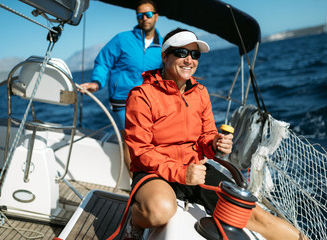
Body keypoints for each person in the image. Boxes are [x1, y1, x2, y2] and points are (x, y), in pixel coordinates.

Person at [124, 28, 308, 240]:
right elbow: (141, 151)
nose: (189, 60)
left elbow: (206, 136)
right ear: (165, 56)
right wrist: (181, 173)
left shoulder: (200, 93)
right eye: (181, 53)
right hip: (153, 172)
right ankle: (135, 221)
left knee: (256, 216)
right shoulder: (142, 96)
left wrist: (214, 143)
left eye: (195, 54)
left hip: (196, 169)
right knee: (159, 211)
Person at [78, 0, 163, 178]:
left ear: (156, 16)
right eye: (140, 15)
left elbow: (168, 72)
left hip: (150, 101)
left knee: (153, 140)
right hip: (122, 98)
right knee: (131, 140)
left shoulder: (163, 46)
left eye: (148, 14)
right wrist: (96, 82)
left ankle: (154, 181)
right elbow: (103, 61)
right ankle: (136, 185)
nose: (144, 18)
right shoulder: (122, 39)